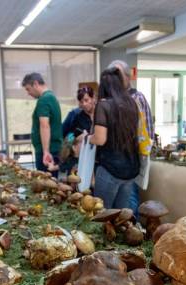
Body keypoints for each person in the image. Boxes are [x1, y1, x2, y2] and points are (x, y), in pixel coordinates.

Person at [88, 67, 140, 209]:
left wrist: (88, 138)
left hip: (110, 168)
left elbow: (100, 139)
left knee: (103, 214)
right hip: (130, 168)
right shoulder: (131, 103)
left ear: (103, 86)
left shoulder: (104, 105)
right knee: (121, 216)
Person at [109, 60, 153, 214]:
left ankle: (134, 234)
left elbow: (147, 132)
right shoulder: (110, 100)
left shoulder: (137, 98)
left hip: (130, 163)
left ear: (128, 77)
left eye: (118, 75)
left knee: (130, 205)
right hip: (112, 165)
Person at [22, 72, 62, 172]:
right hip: (52, 149)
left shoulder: (44, 99)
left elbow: (44, 125)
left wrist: (45, 151)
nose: (28, 93)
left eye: (28, 89)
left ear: (35, 84)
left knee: (46, 185)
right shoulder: (50, 96)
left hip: (47, 152)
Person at [60, 85, 96, 174]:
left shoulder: (102, 114)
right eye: (81, 101)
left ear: (93, 98)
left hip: (99, 159)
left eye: (86, 100)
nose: (84, 104)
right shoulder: (77, 116)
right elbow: (69, 136)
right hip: (83, 158)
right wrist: (75, 139)